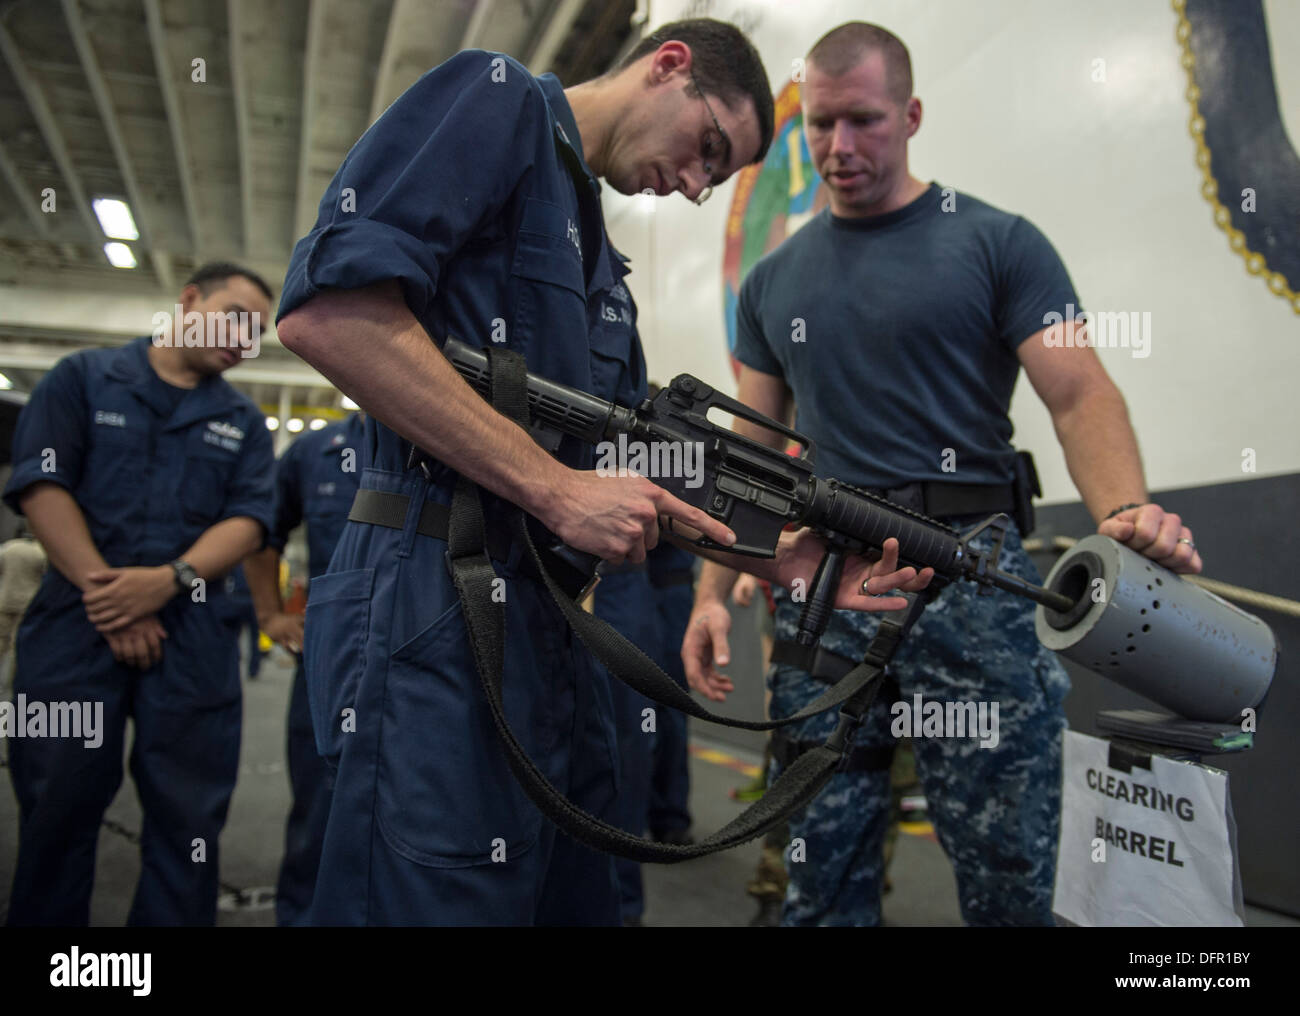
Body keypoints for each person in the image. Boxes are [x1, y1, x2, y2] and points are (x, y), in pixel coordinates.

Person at [275, 19, 930, 926]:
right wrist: (553, 489)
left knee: (564, 898)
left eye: (719, 179)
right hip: (428, 593)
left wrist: (776, 558)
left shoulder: (598, 257)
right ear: (668, 67)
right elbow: (330, 313)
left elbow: (623, 463)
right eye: (707, 149)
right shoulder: (494, 98)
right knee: (429, 896)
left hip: (547, 621)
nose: (697, 184)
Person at [682, 22, 1203, 927]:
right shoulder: (773, 282)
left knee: (1012, 872)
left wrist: (1125, 513)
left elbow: (1079, 392)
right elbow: (756, 457)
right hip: (826, 588)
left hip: (970, 574)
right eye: (822, 125)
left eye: (865, 122)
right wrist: (711, 593)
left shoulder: (999, 243)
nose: (840, 147)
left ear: (912, 114)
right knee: (818, 866)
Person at [3, 263, 275, 926]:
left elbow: (249, 521)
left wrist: (165, 583)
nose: (244, 340)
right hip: (74, 632)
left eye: (258, 333)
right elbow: (42, 488)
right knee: (54, 808)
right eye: (236, 317)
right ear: (189, 300)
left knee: (188, 821)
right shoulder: (82, 378)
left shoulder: (242, 421)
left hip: (193, 636)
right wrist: (112, 597)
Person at [243, 412, 366, 926]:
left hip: (433, 654)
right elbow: (263, 531)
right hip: (333, 660)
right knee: (320, 807)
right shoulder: (316, 450)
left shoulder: (456, 435)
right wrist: (270, 615)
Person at [0, 526, 46, 696]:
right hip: (27, 603)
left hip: (5, 600)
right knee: (15, 647)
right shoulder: (40, 552)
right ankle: (10, 685)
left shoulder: (9, 548)